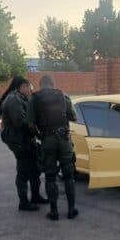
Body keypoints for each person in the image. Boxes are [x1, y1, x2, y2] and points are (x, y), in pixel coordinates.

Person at [27, 75, 78, 221]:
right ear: (52, 83)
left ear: (40, 85)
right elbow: (74, 117)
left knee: (50, 177)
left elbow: (30, 124)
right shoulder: (63, 95)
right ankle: (71, 209)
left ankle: (54, 211)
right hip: (64, 139)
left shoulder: (34, 99)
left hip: (48, 140)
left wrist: (40, 136)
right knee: (69, 176)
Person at [0, 76, 48, 211]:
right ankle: (23, 202)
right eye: (29, 87)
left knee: (35, 169)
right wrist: (38, 132)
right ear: (21, 87)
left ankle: (36, 196)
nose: (31, 90)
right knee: (23, 171)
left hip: (26, 139)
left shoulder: (21, 98)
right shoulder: (13, 99)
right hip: (19, 140)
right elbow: (21, 122)